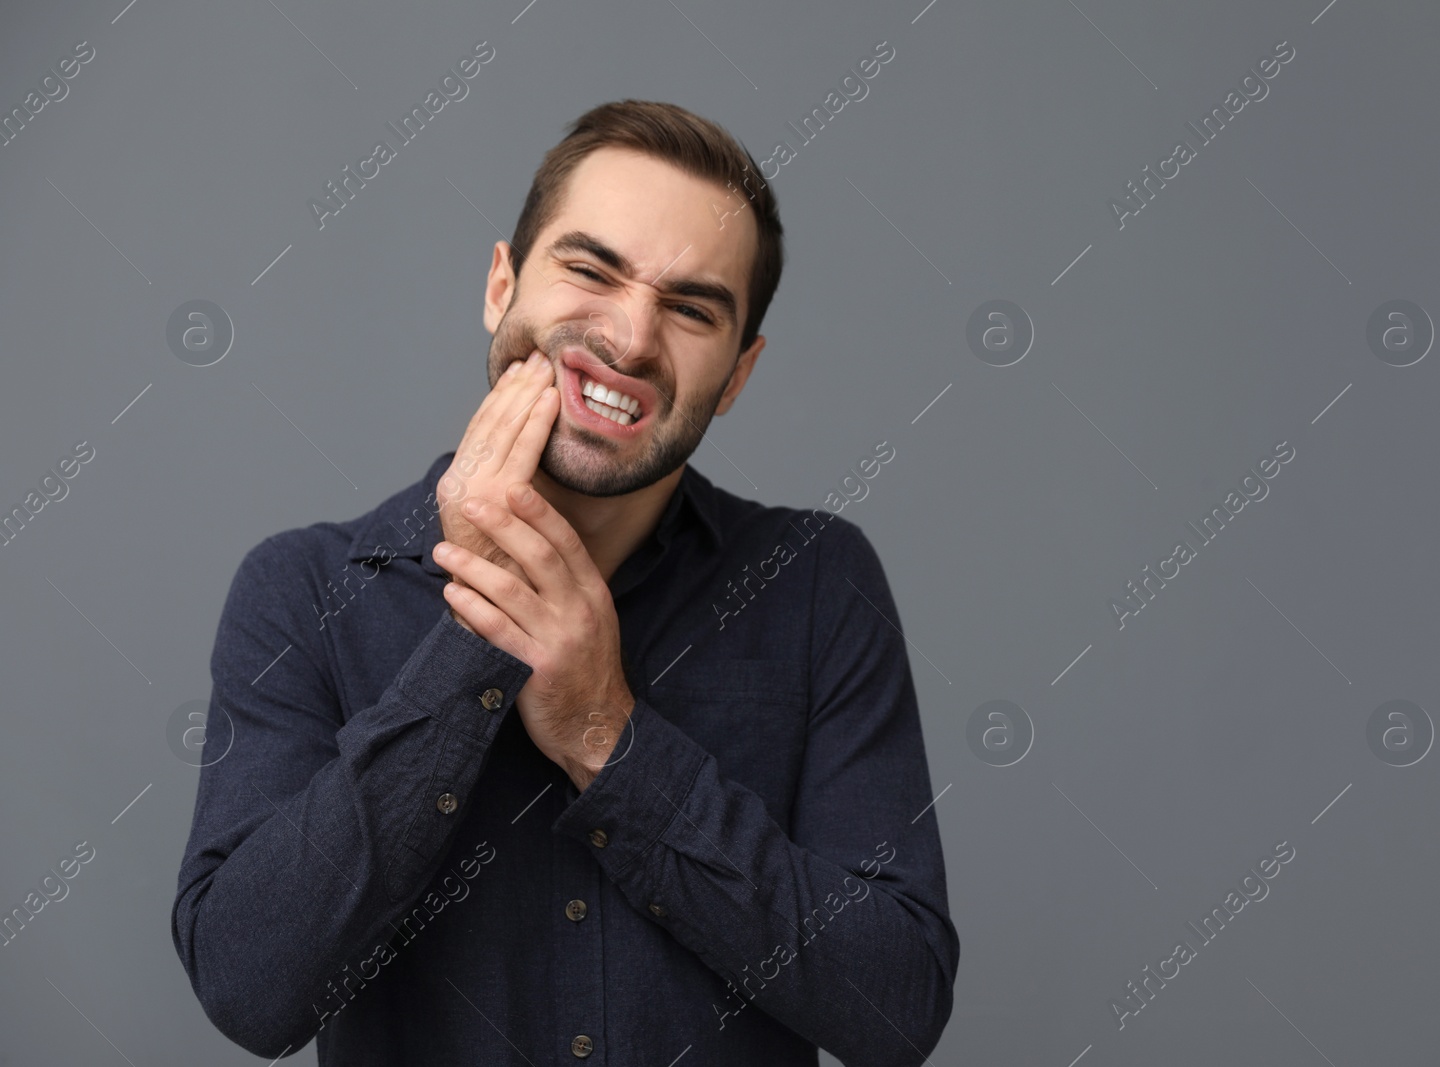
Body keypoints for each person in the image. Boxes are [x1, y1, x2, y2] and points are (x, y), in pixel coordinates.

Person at [171, 99, 957, 1066]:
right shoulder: (300, 589)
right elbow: (249, 989)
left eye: (692, 308)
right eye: (590, 268)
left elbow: (896, 1007)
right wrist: (476, 640)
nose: (629, 339)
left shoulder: (819, 585)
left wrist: (606, 735)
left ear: (740, 372)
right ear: (502, 285)